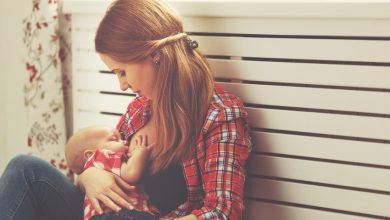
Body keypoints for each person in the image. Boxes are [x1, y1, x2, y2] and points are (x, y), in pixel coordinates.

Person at [0, 0, 251, 219]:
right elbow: (103, 166)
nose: (122, 85)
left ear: (155, 55)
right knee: (25, 169)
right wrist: (88, 178)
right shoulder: (138, 111)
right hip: (104, 215)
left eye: (122, 71)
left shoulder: (220, 115)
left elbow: (223, 212)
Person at [65, 125, 158, 220]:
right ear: (90, 155)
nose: (125, 141)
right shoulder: (101, 156)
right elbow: (131, 173)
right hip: (112, 214)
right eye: (114, 139)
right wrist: (140, 153)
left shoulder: (99, 165)